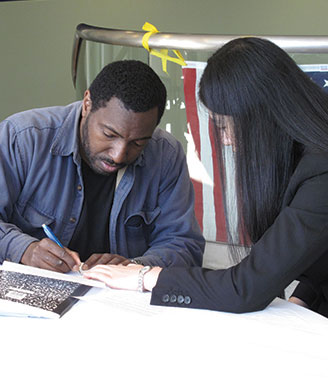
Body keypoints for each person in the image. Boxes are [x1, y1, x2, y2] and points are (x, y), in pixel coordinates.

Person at [83, 37, 328, 318]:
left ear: (261, 117)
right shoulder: (306, 143)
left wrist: (145, 277)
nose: (224, 141)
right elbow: (313, 247)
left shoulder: (321, 170)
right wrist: (302, 298)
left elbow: (244, 288)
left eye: (225, 126)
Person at [0, 60, 204, 272]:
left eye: (138, 143)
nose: (118, 155)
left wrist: (134, 267)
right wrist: (25, 249)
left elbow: (184, 246)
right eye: (109, 134)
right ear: (87, 104)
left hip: (116, 297)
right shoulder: (22, 138)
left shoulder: (166, 155)